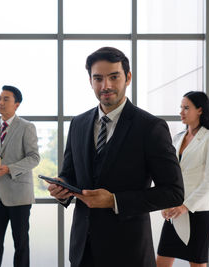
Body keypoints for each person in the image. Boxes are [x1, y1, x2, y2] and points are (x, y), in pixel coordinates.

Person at [47, 47, 184, 267]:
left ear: (128, 77)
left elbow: (174, 192)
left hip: (128, 253)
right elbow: (69, 175)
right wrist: (61, 188)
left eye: (113, 77)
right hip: (82, 251)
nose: (105, 86)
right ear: (90, 81)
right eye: (98, 78)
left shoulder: (150, 127)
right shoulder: (78, 124)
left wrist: (114, 201)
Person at [157, 91, 209, 267]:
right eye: (181, 107)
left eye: (186, 108)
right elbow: (169, 176)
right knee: (161, 262)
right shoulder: (177, 138)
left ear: (200, 110)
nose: (181, 112)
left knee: (197, 264)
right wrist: (166, 203)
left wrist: (186, 206)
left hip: (198, 211)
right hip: (174, 211)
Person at [0, 85, 40, 267]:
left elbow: (34, 157)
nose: (0, 102)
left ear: (17, 104)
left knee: (20, 244)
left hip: (19, 196)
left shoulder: (26, 127)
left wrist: (10, 168)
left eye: (6, 99)